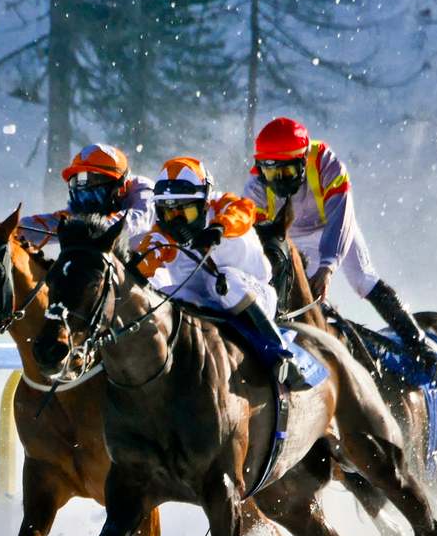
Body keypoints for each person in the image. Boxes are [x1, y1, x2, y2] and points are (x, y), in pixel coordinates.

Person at [242, 116, 437, 374]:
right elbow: (255, 239)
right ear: (260, 168)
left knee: (363, 279)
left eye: (288, 172)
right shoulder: (254, 188)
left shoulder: (327, 163)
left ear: (303, 160)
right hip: (292, 238)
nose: (279, 180)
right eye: (271, 172)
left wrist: (327, 266)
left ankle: (421, 346)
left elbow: (341, 216)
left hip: (334, 226)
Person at [137, 156, 305, 387]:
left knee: (225, 282)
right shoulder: (161, 234)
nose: (177, 222)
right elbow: (144, 259)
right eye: (168, 213)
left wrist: (219, 227)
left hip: (254, 295)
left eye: (185, 212)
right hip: (204, 304)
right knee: (163, 294)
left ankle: (281, 354)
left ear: (204, 203)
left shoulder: (224, 206)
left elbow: (244, 210)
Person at [19, 143, 154, 253]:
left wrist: (96, 230)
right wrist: (16, 229)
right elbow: (55, 223)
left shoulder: (144, 190)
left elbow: (138, 217)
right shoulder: (86, 207)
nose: (85, 197)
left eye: (94, 186)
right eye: (77, 182)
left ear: (121, 188)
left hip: (157, 270)